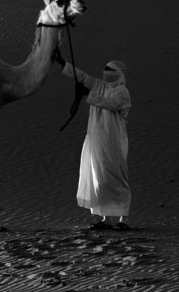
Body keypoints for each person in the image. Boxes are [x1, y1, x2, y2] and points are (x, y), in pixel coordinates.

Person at [53, 49, 132, 229]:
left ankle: (123, 219)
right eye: (105, 69)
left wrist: (87, 95)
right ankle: (104, 218)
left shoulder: (122, 92)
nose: (106, 72)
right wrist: (62, 63)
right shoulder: (101, 86)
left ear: (118, 74)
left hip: (114, 143)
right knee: (98, 177)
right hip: (96, 140)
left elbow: (111, 104)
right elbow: (83, 77)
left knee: (117, 177)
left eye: (110, 70)